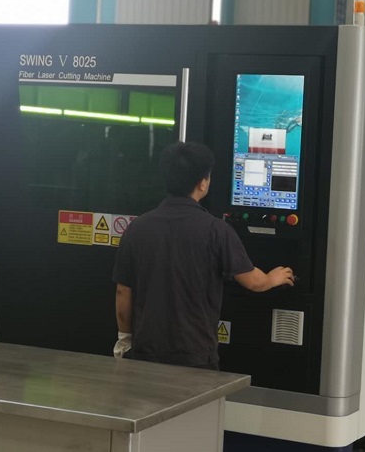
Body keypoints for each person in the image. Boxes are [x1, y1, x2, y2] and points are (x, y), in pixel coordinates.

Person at [112, 141, 295, 369]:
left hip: (146, 353)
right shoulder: (216, 230)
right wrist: (273, 278)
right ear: (202, 183)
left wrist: (125, 339)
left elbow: (123, 292)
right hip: (195, 356)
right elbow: (253, 282)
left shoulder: (137, 228)